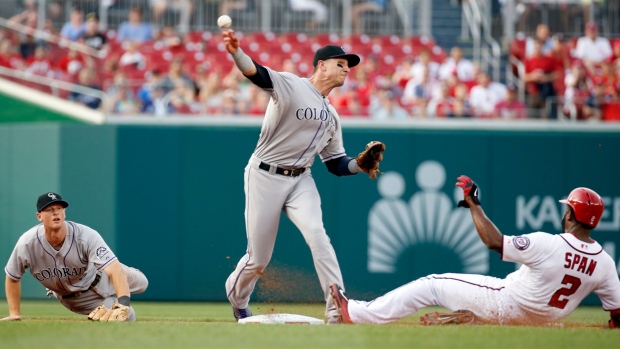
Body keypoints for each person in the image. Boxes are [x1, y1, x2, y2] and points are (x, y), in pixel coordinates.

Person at [220, 28, 383, 323]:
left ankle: (336, 308)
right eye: (341, 63)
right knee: (258, 259)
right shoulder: (292, 85)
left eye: (349, 65)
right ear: (321, 65)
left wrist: (361, 164)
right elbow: (256, 73)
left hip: (300, 179)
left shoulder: (332, 116)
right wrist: (236, 53)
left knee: (318, 236)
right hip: (265, 175)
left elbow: (335, 164)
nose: (346, 68)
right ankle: (237, 295)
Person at [330, 178, 620, 327]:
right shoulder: (605, 263)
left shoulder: (550, 243)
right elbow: (618, 315)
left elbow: (496, 242)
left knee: (431, 284)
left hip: (505, 302)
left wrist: (473, 203)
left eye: (566, 208)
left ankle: (356, 313)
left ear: (570, 214)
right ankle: (468, 320)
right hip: (542, 320)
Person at [1, 192, 148, 322]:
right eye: (50, 210)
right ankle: (112, 302)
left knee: (142, 283)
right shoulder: (27, 243)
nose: (56, 213)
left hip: (101, 276)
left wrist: (123, 304)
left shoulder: (85, 235)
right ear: (39, 216)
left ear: (64, 213)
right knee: (128, 316)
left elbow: (114, 270)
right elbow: (13, 277)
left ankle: (120, 285)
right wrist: (14, 313)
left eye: (59, 208)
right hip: (79, 299)